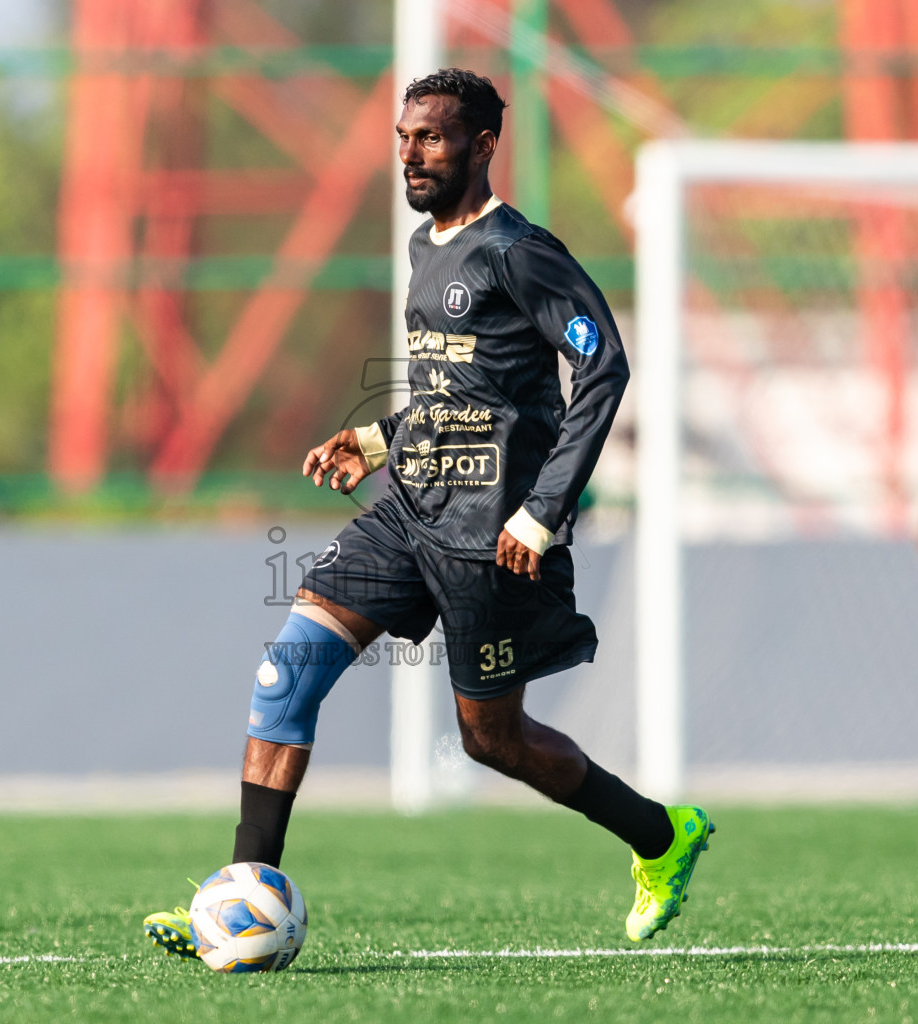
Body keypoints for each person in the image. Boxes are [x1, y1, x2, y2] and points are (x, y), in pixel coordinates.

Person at [143, 68, 713, 961]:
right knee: (286, 674)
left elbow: (603, 370)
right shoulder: (423, 247)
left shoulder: (519, 252)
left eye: (434, 138)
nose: (411, 154)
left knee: (495, 741)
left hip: (491, 535)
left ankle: (658, 835)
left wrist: (541, 513)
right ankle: (242, 891)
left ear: (483, 146)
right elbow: (460, 392)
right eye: (405, 137)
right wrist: (374, 441)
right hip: (406, 511)